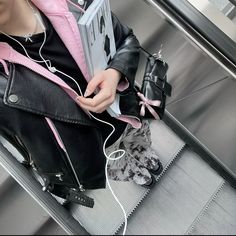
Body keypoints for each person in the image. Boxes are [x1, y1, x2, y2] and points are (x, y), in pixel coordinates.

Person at [0, 0, 163, 204]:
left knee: (140, 140)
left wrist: (115, 73)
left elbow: (125, 39)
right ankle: (136, 173)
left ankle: (144, 155)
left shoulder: (68, 3)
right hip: (94, 145)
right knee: (120, 166)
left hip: (125, 110)